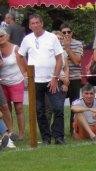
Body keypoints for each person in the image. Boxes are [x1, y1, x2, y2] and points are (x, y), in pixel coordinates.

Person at [16, 14, 65, 145]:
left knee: (58, 108)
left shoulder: (52, 37)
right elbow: (20, 57)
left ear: (42, 23)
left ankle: (59, 137)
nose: (35, 25)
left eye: (37, 22)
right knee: (40, 110)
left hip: (51, 80)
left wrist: (55, 77)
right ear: (30, 25)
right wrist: (25, 73)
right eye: (33, 23)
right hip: (35, 81)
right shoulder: (27, 39)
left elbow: (59, 59)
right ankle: (46, 138)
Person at [59, 23, 83, 134]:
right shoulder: (56, 43)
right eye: (64, 32)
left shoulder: (78, 44)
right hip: (61, 79)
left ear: (72, 33)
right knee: (58, 106)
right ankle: (59, 131)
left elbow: (77, 61)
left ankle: (73, 130)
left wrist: (68, 48)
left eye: (69, 32)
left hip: (75, 78)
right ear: (61, 33)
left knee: (74, 106)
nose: (67, 34)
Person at [0, 26, 24, 140]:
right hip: (3, 82)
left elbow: (23, 64)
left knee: (19, 108)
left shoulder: (15, 48)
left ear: (7, 36)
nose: (0, 38)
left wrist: (26, 77)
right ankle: (10, 132)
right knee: (6, 108)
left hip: (17, 80)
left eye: (2, 35)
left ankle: (21, 134)